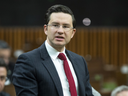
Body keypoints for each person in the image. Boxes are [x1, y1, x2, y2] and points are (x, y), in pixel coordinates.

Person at [12, 4, 96, 96]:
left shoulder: (80, 61)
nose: (60, 31)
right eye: (55, 25)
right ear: (46, 29)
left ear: (73, 33)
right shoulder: (28, 61)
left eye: (65, 26)